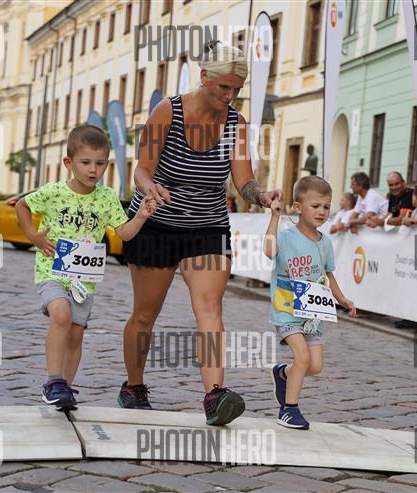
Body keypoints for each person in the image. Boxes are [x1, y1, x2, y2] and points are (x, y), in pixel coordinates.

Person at [119, 43, 282, 426]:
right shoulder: (168, 111)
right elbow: (142, 170)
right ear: (204, 76)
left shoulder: (236, 123)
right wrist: (150, 188)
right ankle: (134, 386)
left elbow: (243, 180)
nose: (230, 96)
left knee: (210, 307)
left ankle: (215, 395)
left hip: (207, 225)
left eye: (236, 89)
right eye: (224, 87)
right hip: (156, 222)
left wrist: (261, 195)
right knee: (145, 314)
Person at [16, 125, 156, 411]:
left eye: (100, 163)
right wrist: (33, 235)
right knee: (60, 314)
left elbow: (124, 233)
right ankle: (53, 381)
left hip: (83, 278)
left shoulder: (106, 197)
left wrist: (141, 216)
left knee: (76, 333)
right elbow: (22, 205)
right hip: (52, 269)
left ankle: (64, 389)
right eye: (86, 162)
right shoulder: (54, 192)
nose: (93, 169)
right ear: (69, 163)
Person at [264, 176, 356, 430]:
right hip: (286, 310)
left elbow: (328, 274)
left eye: (326, 206)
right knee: (302, 358)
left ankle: (282, 373)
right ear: (297, 207)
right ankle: (289, 409)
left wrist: (341, 298)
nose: (321, 211)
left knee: (315, 366)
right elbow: (269, 251)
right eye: (315, 206)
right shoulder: (286, 237)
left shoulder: (325, 242)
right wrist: (274, 217)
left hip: (313, 313)